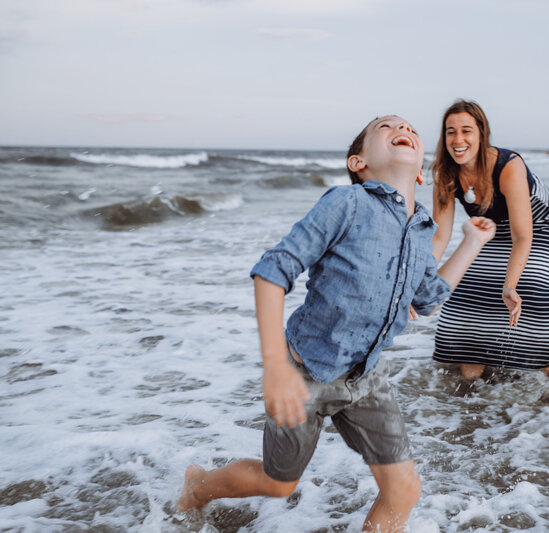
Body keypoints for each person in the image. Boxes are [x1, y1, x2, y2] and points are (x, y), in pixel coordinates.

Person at [177, 115, 496, 532]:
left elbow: (427, 298)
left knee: (404, 491)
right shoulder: (348, 203)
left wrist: (471, 243)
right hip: (303, 372)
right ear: (358, 161)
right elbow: (273, 270)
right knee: (278, 483)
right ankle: (200, 485)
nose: (403, 128)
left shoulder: (422, 230)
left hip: (367, 378)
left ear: (422, 172)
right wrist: (275, 367)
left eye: (411, 129)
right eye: (385, 127)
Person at [430, 99, 549, 381]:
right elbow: (440, 235)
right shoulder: (444, 174)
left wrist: (509, 285)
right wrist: (422, 280)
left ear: (482, 134)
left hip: (538, 227)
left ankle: (546, 376)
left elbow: (523, 236)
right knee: (466, 293)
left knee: (530, 287)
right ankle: (472, 372)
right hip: (488, 227)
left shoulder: (508, 166)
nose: (458, 139)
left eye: (466, 131)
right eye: (450, 131)